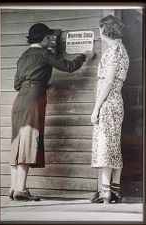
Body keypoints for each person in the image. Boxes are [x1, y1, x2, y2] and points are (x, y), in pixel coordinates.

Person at [9, 23, 94, 201]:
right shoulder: (44, 54)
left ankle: (14, 187)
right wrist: (84, 56)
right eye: (48, 37)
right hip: (34, 100)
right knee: (28, 141)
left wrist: (39, 83)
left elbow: (17, 84)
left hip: (19, 102)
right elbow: (70, 66)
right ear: (41, 39)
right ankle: (21, 191)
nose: (50, 39)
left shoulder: (23, 57)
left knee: (17, 143)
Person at [91, 15, 129, 203]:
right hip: (114, 101)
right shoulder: (120, 49)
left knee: (106, 144)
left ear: (103, 29)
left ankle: (105, 192)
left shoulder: (114, 49)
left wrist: (96, 108)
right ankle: (113, 190)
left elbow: (108, 81)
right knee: (112, 145)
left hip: (108, 102)